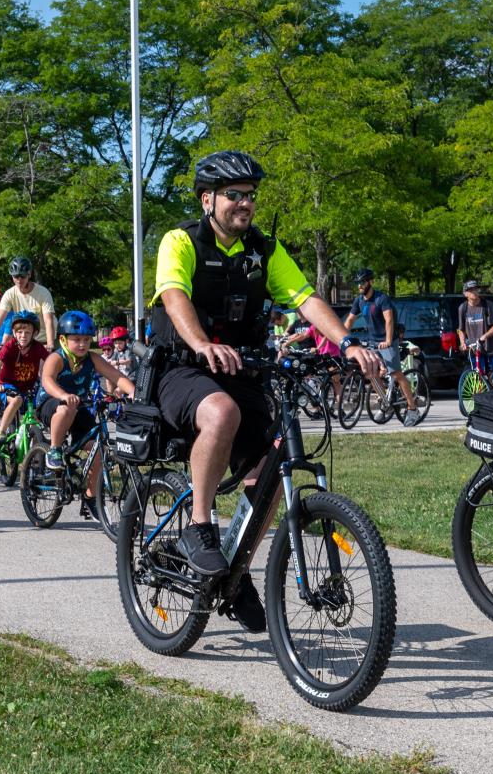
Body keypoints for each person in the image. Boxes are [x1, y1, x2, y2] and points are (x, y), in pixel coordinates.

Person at [150, 150, 380, 623]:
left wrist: (348, 343)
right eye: (233, 195)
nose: (244, 203)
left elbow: (306, 299)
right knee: (221, 413)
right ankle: (200, 526)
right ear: (207, 199)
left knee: (270, 471)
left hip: (244, 372)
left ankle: (234, 573)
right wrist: (200, 343)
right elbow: (173, 296)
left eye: (250, 196)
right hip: (183, 370)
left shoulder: (264, 251)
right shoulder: (182, 241)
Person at [38, 310, 136, 521]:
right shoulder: (57, 358)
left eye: (86, 339)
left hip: (80, 406)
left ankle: (91, 498)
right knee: (65, 408)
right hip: (51, 404)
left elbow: (116, 376)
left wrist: (134, 393)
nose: (82, 344)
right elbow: (47, 380)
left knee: (97, 449)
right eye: (76, 340)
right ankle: (54, 450)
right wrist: (64, 395)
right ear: (63, 339)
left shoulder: (92, 358)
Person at [345, 269, 417, 418]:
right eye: (358, 283)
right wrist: (342, 339)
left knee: (396, 374)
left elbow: (389, 319)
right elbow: (350, 320)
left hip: (387, 340)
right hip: (373, 341)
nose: (359, 286)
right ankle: (385, 401)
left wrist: (389, 341)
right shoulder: (359, 300)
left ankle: (412, 408)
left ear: (370, 282)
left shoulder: (381, 298)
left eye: (362, 282)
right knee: (370, 371)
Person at [0, 311, 48, 444]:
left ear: (34, 333)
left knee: (36, 415)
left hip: (29, 388)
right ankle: (1, 431)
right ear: (14, 333)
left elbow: (51, 364)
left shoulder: (38, 348)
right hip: (7, 386)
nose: (23, 335)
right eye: (19, 332)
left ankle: (37, 456)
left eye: (27, 332)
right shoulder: (10, 346)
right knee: (17, 400)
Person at [0, 257, 56, 349]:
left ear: (29, 274)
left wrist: (50, 343)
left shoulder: (43, 292)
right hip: (24, 340)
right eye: (15, 276)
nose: (19, 280)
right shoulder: (9, 294)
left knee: (46, 363)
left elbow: (48, 320)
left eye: (22, 276)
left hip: (44, 340)